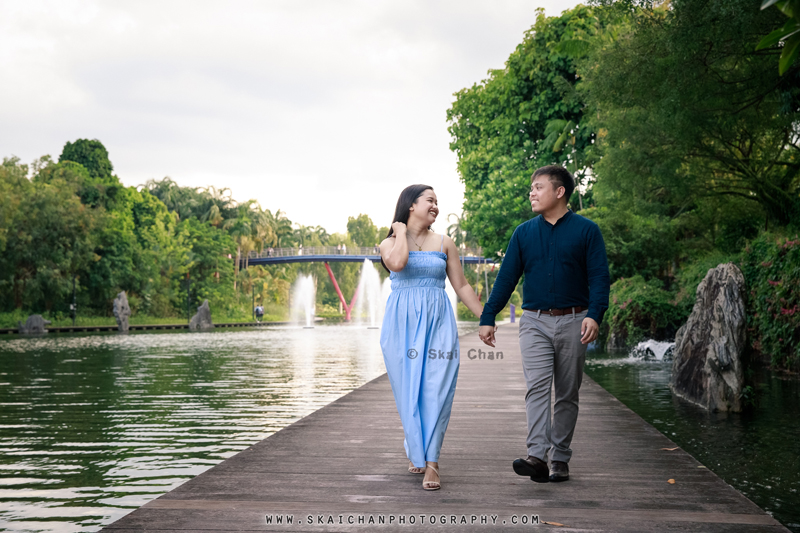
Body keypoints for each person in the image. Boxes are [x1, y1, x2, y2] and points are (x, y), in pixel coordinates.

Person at [478, 165, 610, 483]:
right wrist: (488, 317)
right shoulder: (523, 233)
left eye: (538, 187)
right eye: (531, 189)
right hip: (534, 322)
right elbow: (507, 278)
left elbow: (599, 278)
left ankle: (559, 459)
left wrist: (595, 313)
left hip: (575, 320)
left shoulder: (587, 231)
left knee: (567, 392)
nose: (532, 193)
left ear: (559, 191)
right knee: (537, 388)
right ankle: (537, 455)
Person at [380, 184, 487, 491]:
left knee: (437, 388)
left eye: (437, 202)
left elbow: (463, 286)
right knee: (409, 391)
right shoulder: (388, 243)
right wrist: (400, 233)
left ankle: (432, 463)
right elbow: (398, 264)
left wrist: (486, 317)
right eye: (430, 200)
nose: (436, 206)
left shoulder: (444, 242)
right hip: (401, 326)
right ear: (410, 205)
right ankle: (416, 450)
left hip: (438, 322)